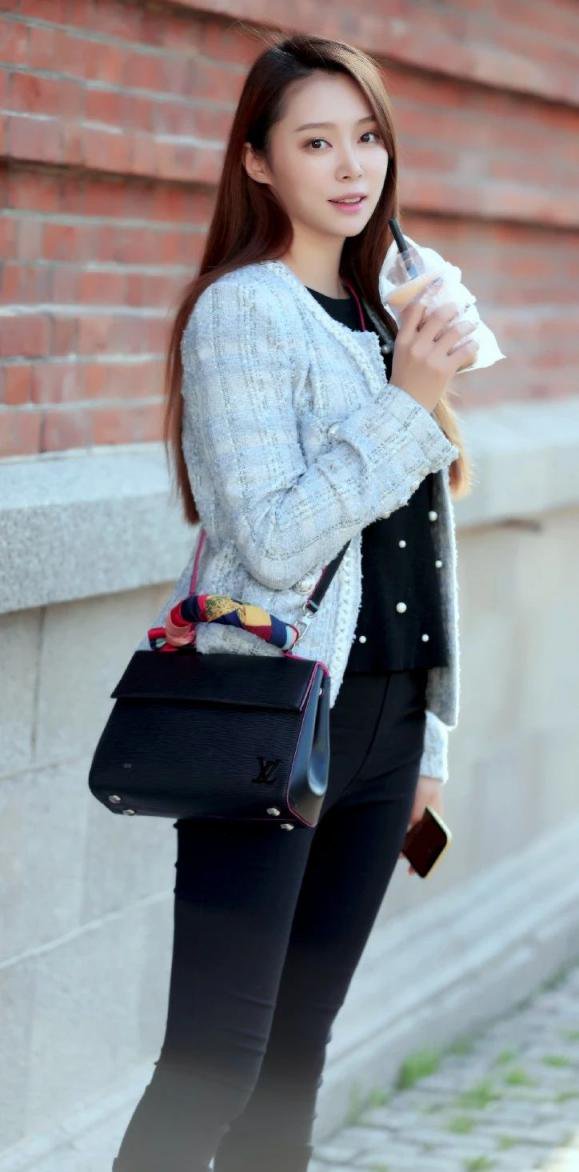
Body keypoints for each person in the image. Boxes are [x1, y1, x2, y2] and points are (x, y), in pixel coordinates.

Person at [113, 30, 486, 1172]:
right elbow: (271, 543)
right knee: (215, 1060)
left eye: (366, 137)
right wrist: (407, 401)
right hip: (273, 715)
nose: (350, 165)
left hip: (385, 726)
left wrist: (428, 741)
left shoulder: (389, 301)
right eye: (315, 142)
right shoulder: (242, 313)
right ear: (258, 160)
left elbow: (421, 551)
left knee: (294, 1058)